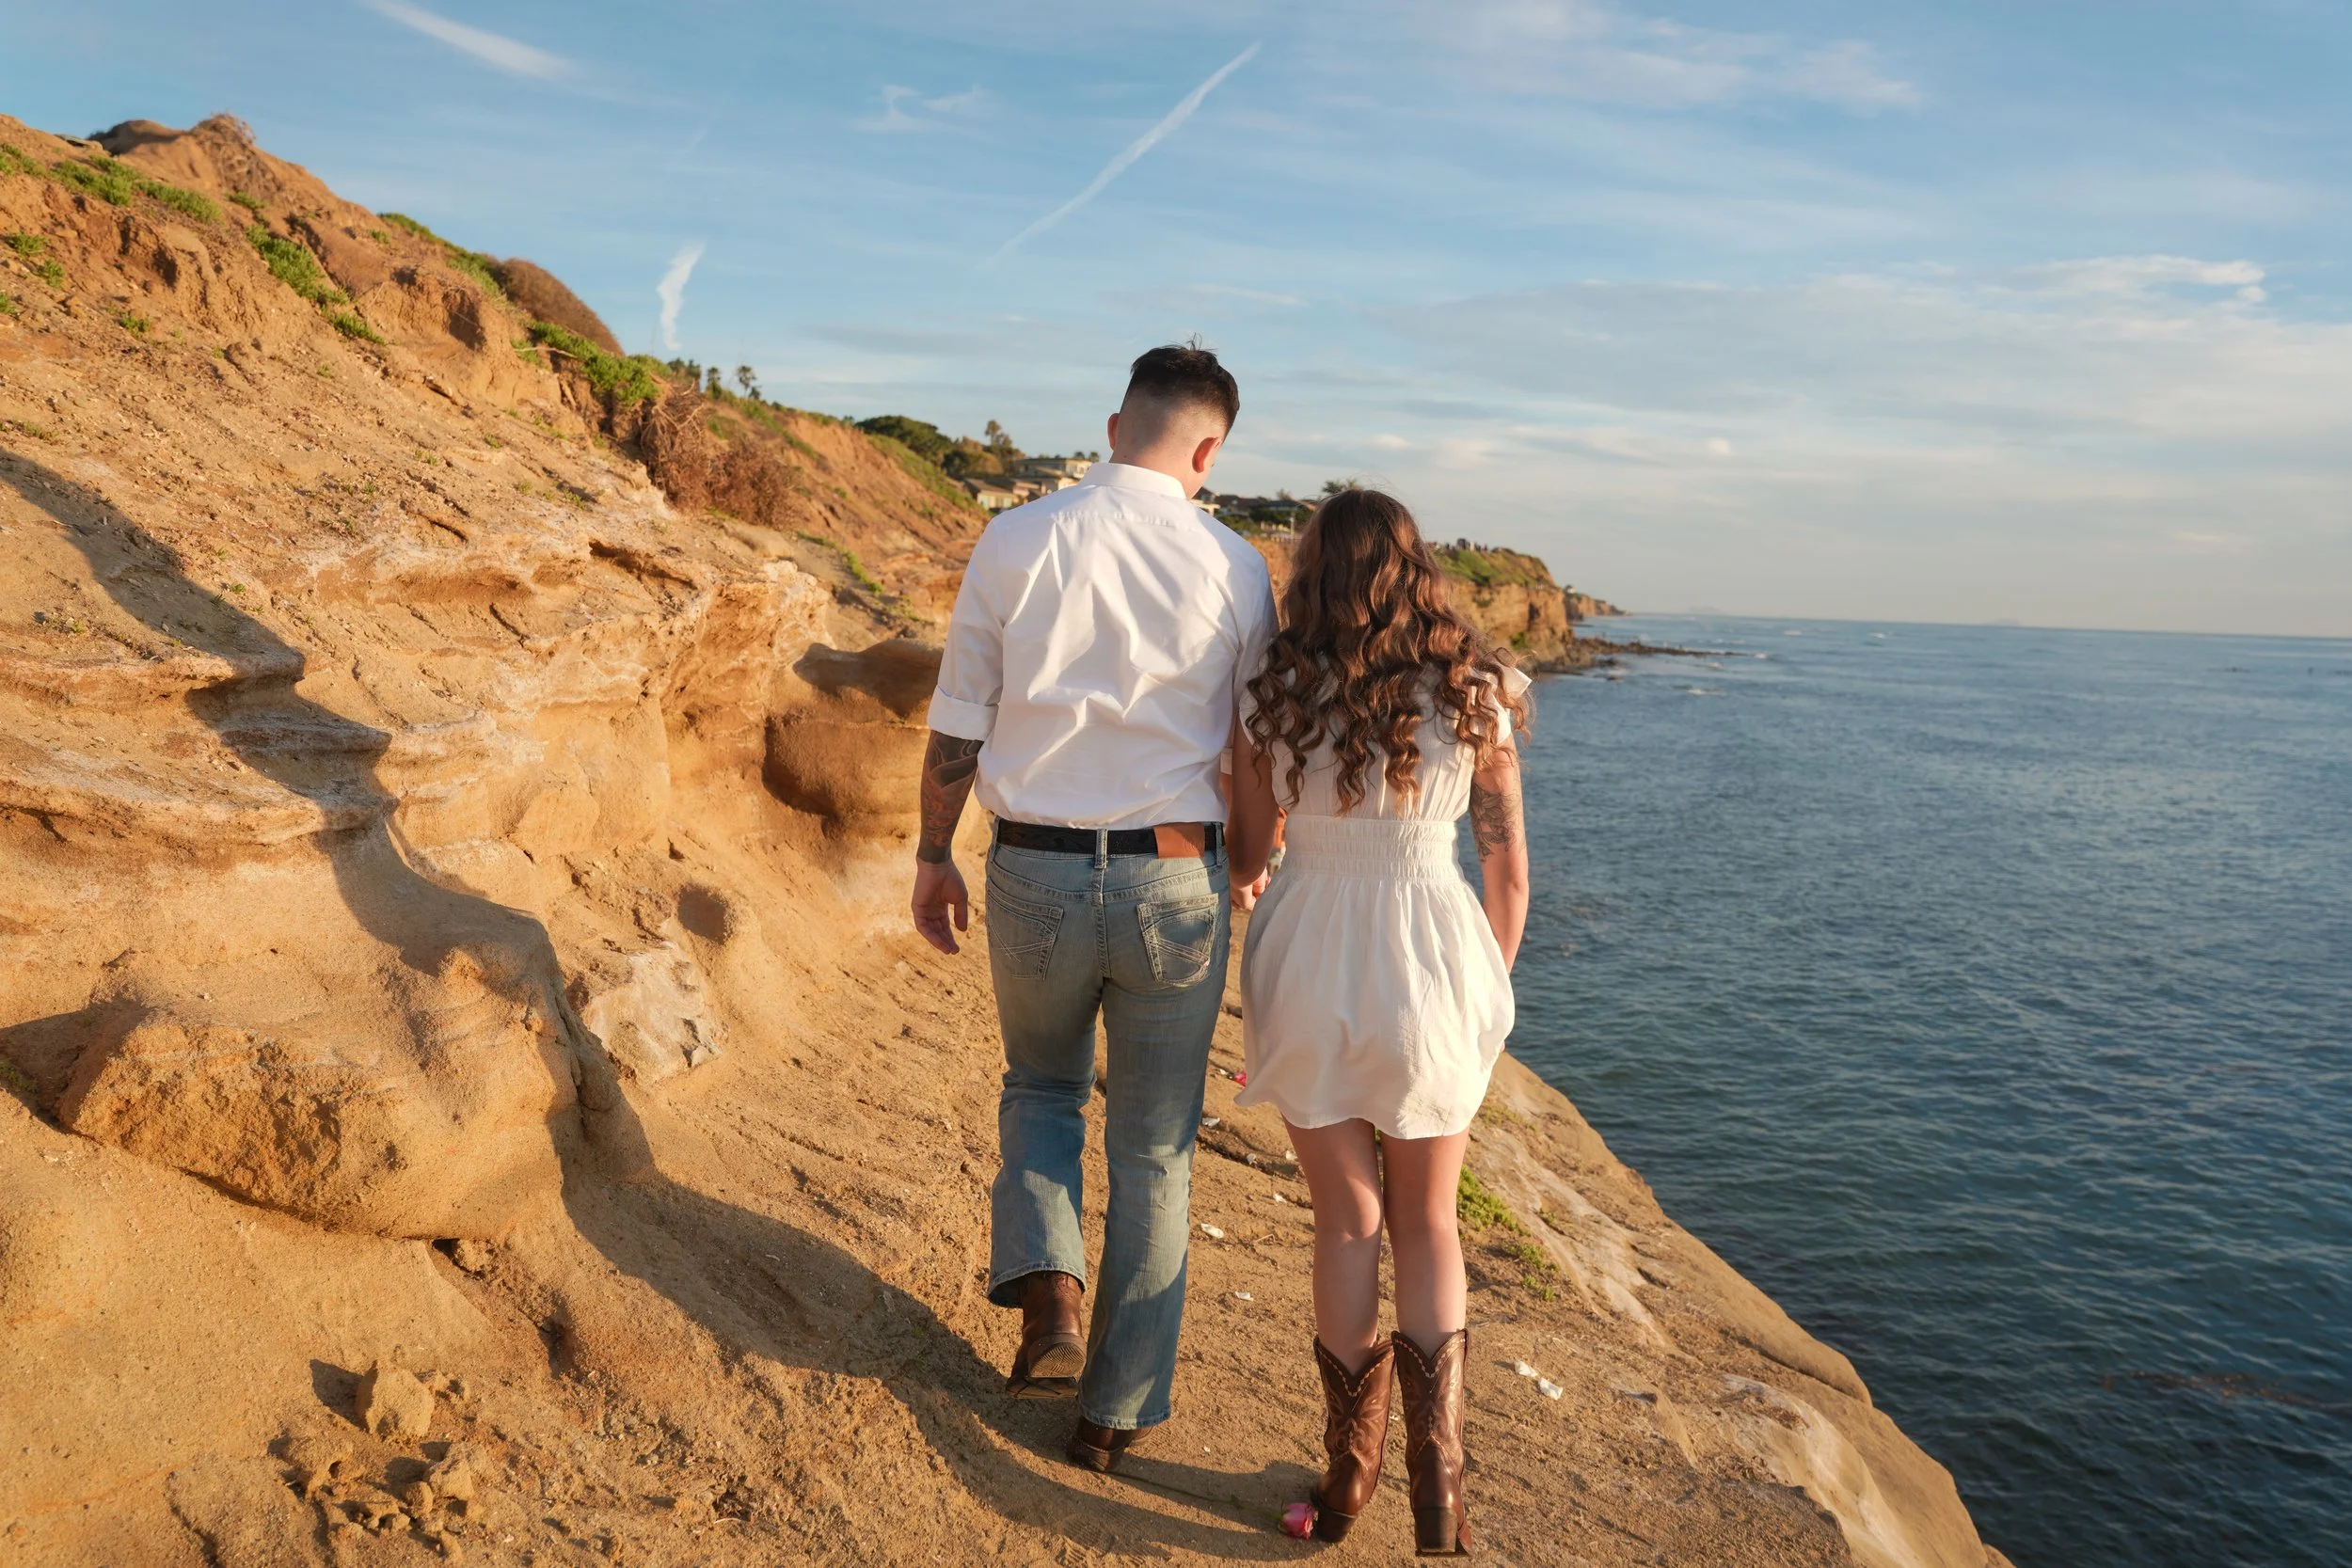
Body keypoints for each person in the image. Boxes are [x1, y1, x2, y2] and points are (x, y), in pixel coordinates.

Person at [910, 343, 1277, 1472]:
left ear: (1118, 424)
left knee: (1042, 1084)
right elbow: (1251, 746)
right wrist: (1251, 864)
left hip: (1034, 868)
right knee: (1158, 1148)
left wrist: (933, 851)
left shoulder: (1018, 534)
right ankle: (1113, 1413)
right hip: (1177, 877)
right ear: (1208, 450)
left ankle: (1053, 1304)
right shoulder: (1234, 566)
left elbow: (962, 716)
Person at [1225, 486, 1532, 1556]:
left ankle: (1347, 1477)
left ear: (1309, 573)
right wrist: (1481, 994)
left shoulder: (1272, 685)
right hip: (1435, 958)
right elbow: (1505, 868)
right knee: (1429, 1224)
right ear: (1419, 569)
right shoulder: (1477, 688)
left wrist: (1256, 847)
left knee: (1348, 1222)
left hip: (1307, 955)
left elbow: (1250, 852)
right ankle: (1438, 1488)